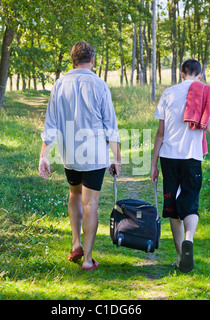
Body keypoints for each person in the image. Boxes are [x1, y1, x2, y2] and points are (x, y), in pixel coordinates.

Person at [39, 41, 121, 271]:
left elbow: (51, 124)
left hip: (70, 152)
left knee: (74, 194)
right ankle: (87, 260)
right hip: (94, 153)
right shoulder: (100, 85)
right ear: (92, 61)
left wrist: (43, 155)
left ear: (72, 61)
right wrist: (117, 157)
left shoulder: (59, 84)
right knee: (91, 203)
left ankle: (76, 243)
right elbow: (110, 126)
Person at [150, 59, 210, 273]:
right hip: (192, 157)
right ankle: (189, 240)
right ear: (200, 75)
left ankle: (180, 258)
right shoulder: (206, 92)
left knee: (172, 209)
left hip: (168, 157)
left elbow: (160, 133)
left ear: (181, 74)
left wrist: (153, 165)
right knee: (190, 203)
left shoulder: (168, 93)